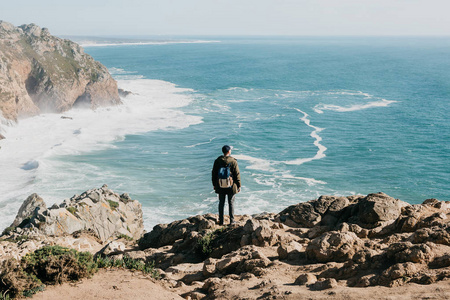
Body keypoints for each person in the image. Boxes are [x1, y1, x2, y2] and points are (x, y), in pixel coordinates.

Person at [212, 145, 241, 225]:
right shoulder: (233, 161)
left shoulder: (217, 160)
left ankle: (221, 221)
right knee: (231, 203)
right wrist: (239, 185)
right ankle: (231, 221)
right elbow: (237, 174)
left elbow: (214, 173)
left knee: (221, 203)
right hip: (231, 186)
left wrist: (214, 184)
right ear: (229, 152)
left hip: (220, 185)